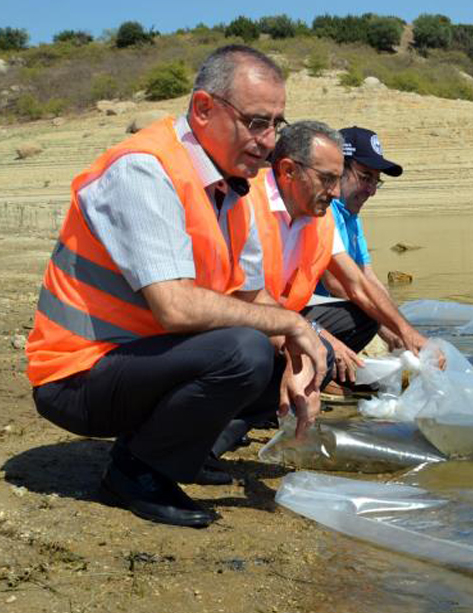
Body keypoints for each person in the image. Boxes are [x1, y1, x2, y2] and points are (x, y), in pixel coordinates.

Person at [26, 45, 327, 529]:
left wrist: (301, 361)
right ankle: (136, 472)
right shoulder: (144, 169)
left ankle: (175, 448)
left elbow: (251, 296)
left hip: (143, 361)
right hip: (76, 376)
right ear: (204, 108)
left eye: (277, 124)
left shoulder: (232, 188)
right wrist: (292, 324)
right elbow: (175, 308)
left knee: (289, 354)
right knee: (245, 350)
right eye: (256, 123)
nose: (269, 141)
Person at [248, 122, 428, 389]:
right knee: (252, 349)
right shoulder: (250, 202)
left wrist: (406, 332)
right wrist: (319, 336)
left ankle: (307, 379)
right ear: (289, 171)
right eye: (328, 178)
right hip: (250, 316)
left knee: (362, 320)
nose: (334, 192)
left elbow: (360, 282)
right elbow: (249, 297)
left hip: (287, 313)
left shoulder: (322, 214)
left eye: (376, 181)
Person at [314, 126, 410, 351]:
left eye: (376, 181)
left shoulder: (351, 216)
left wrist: (404, 328)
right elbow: (337, 283)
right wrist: (387, 328)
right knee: (367, 317)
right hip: (300, 311)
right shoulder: (322, 210)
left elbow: (368, 276)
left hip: (325, 312)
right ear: (338, 170)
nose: (371, 190)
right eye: (365, 177)